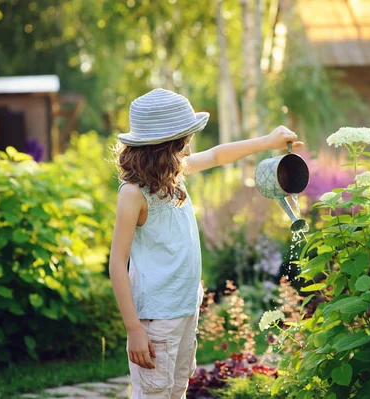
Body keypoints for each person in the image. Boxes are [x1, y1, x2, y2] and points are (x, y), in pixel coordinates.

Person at [109, 88, 303, 399]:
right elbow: (117, 263)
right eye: (184, 139)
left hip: (185, 308)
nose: (189, 146)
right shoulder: (134, 193)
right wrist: (133, 329)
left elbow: (217, 155)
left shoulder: (173, 175)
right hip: (157, 318)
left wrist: (269, 141)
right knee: (154, 393)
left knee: (177, 390)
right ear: (166, 145)